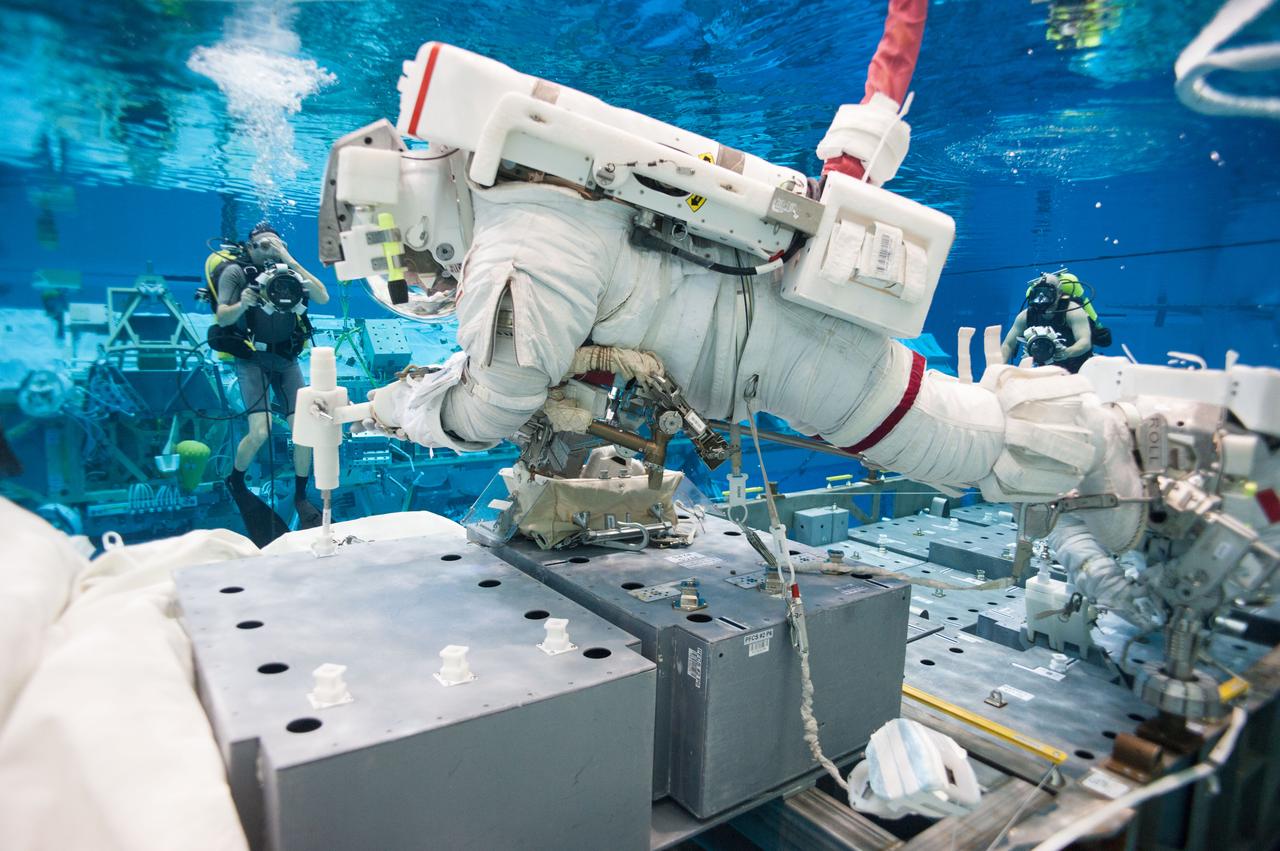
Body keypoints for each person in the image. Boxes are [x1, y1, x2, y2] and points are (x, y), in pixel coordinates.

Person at [347, 1, 1146, 555]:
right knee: (955, 430)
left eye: (419, 263)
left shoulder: (519, 240)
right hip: (787, 338)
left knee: (968, 444)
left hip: (806, 361)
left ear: (416, 224)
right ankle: (1098, 447)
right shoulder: (532, 193)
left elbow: (495, 401)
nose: (437, 276)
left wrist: (399, 408)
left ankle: (1102, 446)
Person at [214, 222, 330, 539]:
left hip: (286, 358)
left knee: (304, 432)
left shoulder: (289, 274)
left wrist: (289, 260)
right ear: (250, 247)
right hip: (252, 357)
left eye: (277, 245)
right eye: (264, 245)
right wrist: (243, 303)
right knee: (260, 430)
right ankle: (236, 480)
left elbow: (322, 296)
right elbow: (223, 316)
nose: (271, 252)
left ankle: (301, 495)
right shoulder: (236, 273)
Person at [1000, 271, 1096, 373]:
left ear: (1059, 293)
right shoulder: (1025, 316)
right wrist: (998, 369)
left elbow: (1085, 342)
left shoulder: (1072, 311)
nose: (1042, 298)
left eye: (1048, 293)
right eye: (1038, 293)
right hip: (1046, 371)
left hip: (1079, 368)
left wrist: (1067, 352)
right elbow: (1008, 345)